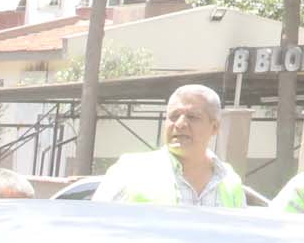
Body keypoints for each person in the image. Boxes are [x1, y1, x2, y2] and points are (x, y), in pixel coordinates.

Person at [96, 84, 249, 208]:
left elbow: (241, 238)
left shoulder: (229, 180)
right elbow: (96, 226)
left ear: (214, 128)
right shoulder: (130, 170)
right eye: (174, 116)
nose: (180, 124)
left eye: (192, 117)